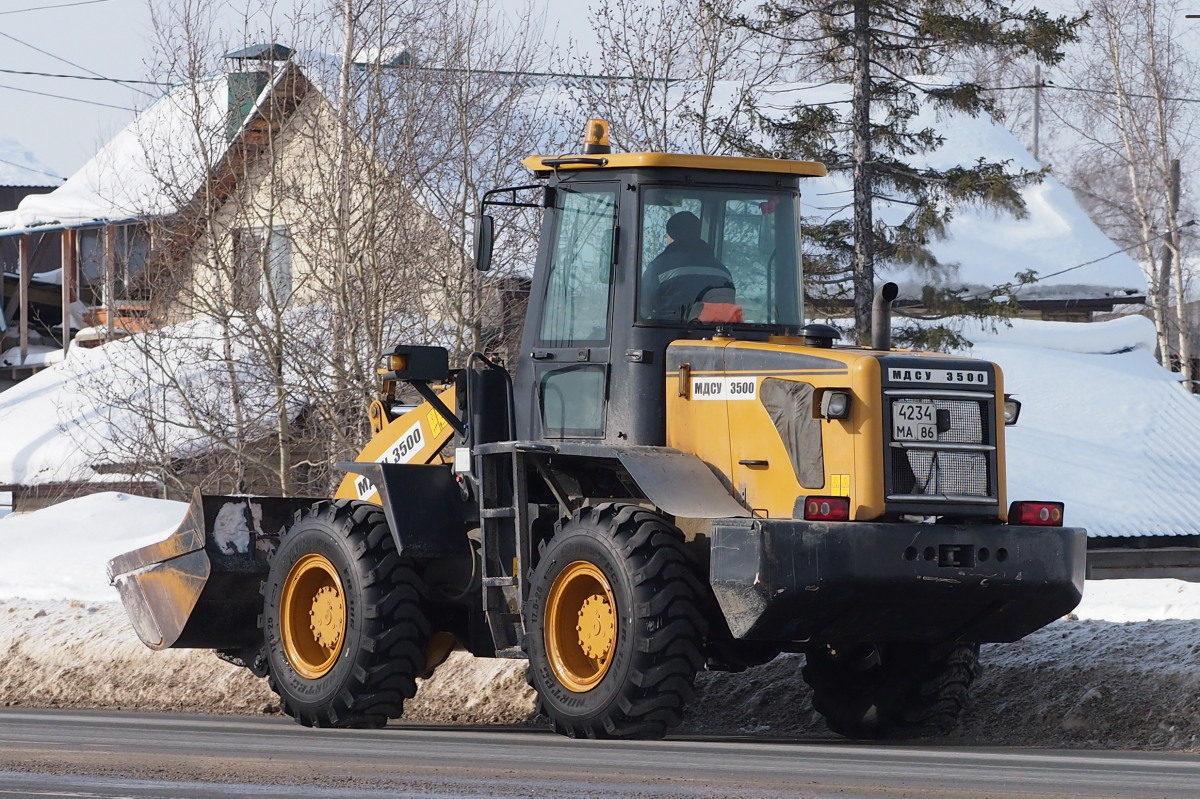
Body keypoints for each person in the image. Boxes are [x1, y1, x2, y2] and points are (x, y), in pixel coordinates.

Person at [641, 211, 738, 322]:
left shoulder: (658, 268)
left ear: (671, 236)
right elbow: (728, 313)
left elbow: (642, 308)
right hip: (713, 336)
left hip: (666, 335)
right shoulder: (723, 272)